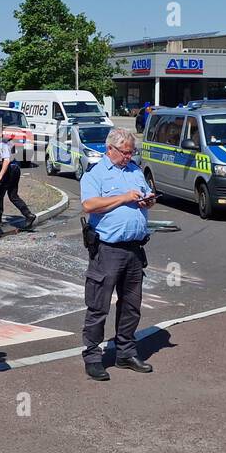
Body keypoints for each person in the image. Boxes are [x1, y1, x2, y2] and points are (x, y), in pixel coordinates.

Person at [78, 128, 156, 381]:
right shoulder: (96, 173)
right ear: (109, 149)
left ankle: (125, 352)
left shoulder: (134, 171)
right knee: (98, 306)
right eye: (125, 152)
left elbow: (144, 195)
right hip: (108, 249)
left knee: (132, 306)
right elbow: (89, 205)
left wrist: (147, 201)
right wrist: (123, 198)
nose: (129, 156)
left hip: (134, 249)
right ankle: (92, 356)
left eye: (132, 152)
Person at [0, 134, 35, 229]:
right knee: (13, 196)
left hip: (9, 170)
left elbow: (6, 160)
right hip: (15, 169)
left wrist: (0, 176)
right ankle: (28, 215)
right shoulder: (5, 142)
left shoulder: (2, 144)